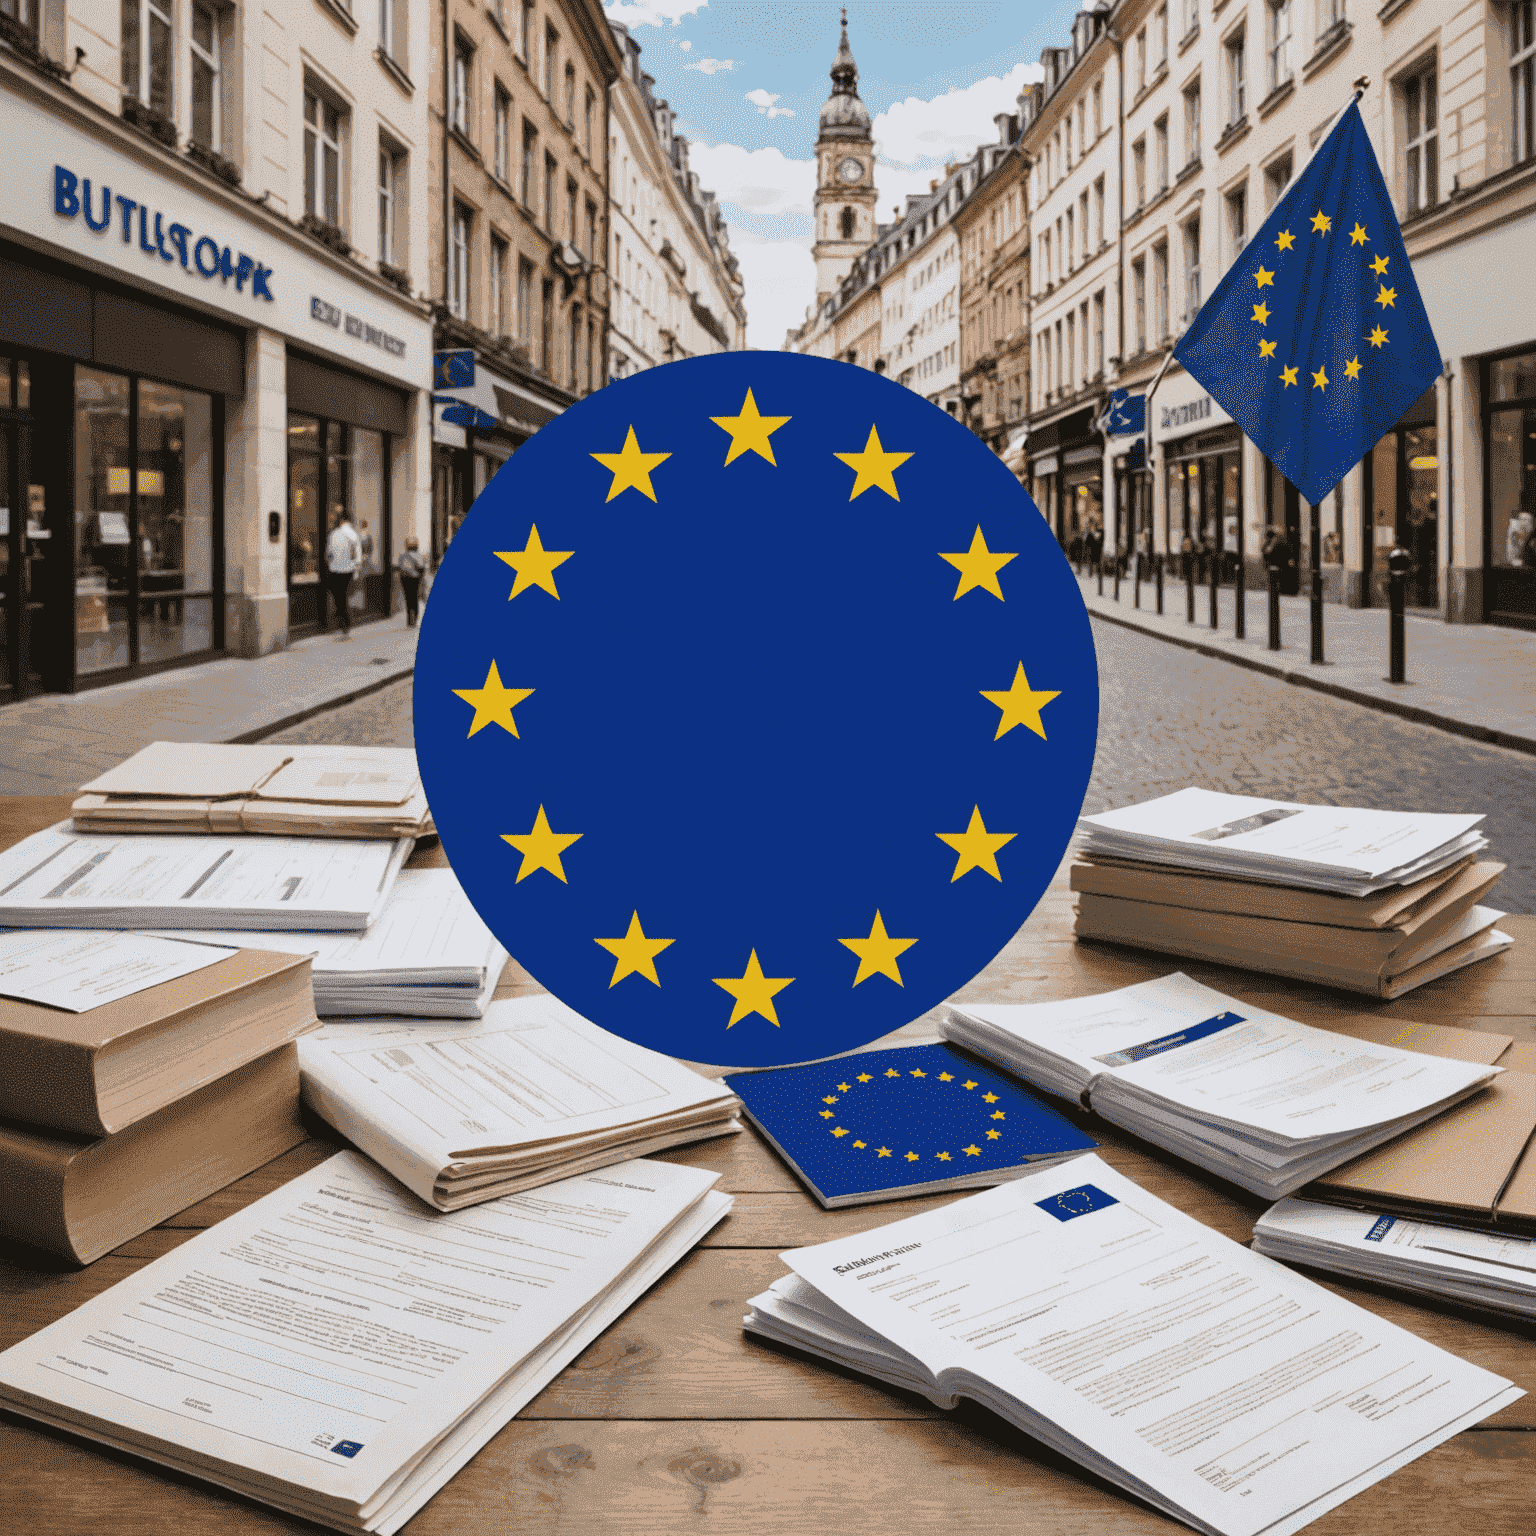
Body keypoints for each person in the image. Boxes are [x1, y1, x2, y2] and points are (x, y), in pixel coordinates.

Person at [324, 510, 361, 635]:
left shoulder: (333, 534)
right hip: (349, 570)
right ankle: (345, 624)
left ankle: (342, 622)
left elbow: (329, 553)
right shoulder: (354, 535)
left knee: (339, 598)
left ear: (340, 521)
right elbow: (357, 556)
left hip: (335, 570)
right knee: (344, 596)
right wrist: (356, 570)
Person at [398, 537, 426, 628]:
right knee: (415, 598)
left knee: (408, 598)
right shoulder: (419, 556)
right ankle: (415, 618)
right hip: (415, 579)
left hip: (405, 579)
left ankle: (410, 620)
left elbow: (401, 568)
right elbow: (422, 568)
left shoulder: (403, 556)